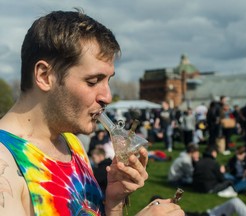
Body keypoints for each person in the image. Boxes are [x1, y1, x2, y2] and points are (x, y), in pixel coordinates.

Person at [0, 10, 184, 216]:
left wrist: (113, 202)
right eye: (93, 81)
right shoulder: (4, 162)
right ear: (45, 76)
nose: (107, 96)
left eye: (108, 80)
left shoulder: (72, 144)